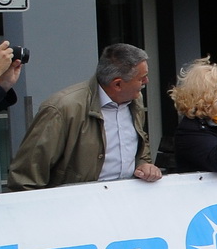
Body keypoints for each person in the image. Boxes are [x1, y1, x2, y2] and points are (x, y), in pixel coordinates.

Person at [9, 43, 163, 190]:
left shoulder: (134, 100)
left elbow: (138, 143)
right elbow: (27, 176)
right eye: (141, 78)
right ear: (117, 84)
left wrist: (143, 164)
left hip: (124, 201)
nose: (146, 81)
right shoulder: (62, 109)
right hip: (76, 208)